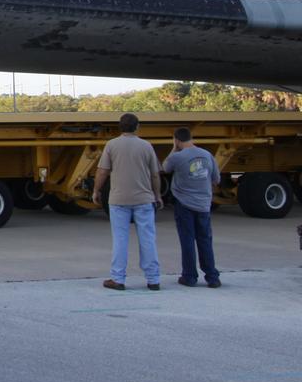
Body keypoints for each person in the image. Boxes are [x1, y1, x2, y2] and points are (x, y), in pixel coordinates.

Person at [94, 112, 162, 291]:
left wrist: (96, 190)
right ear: (137, 127)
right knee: (148, 238)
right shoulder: (146, 146)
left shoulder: (112, 145)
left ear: (120, 127)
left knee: (120, 239)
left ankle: (118, 278)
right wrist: (157, 195)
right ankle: (153, 279)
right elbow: (155, 174)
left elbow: (102, 171)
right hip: (144, 199)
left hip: (118, 200)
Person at [163, 127, 222, 288]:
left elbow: (165, 168)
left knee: (187, 240)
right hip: (204, 205)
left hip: (184, 204)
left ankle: (189, 276)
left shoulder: (177, 157)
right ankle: (212, 276)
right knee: (205, 240)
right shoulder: (207, 155)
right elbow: (216, 179)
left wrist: (174, 149)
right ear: (191, 137)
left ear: (176, 140)